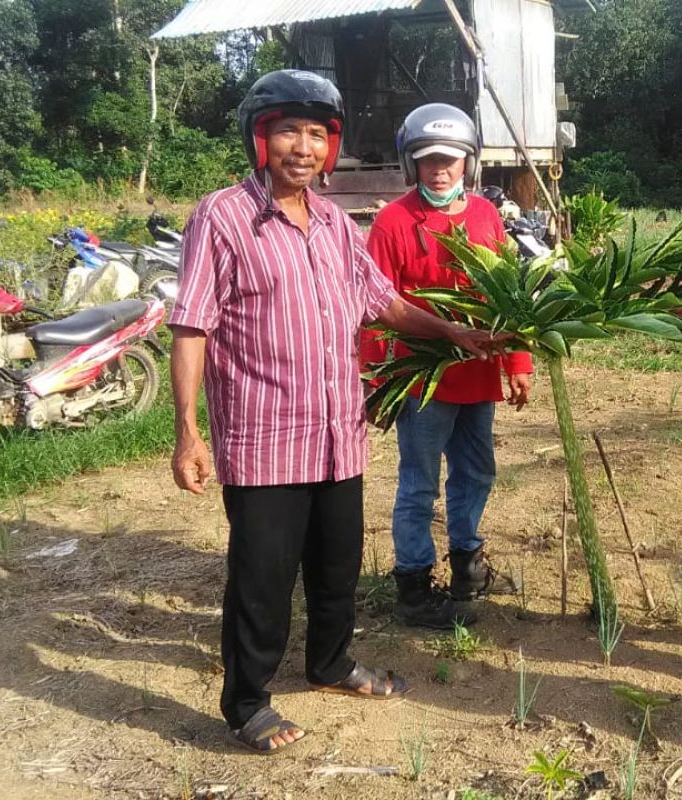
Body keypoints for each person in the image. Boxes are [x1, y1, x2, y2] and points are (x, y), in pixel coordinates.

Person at [169, 70, 499, 754]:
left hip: (336, 435)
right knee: (262, 575)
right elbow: (192, 326)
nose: (303, 146)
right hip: (265, 437)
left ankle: (330, 663)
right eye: (288, 129)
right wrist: (187, 433)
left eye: (317, 133)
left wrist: (455, 333)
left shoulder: (333, 225)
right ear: (260, 137)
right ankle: (248, 701)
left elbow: (387, 302)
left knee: (337, 565)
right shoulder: (223, 216)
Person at [359, 102, 532, 630]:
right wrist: (378, 381)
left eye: (450, 160)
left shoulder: (485, 217)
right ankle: (413, 585)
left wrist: (517, 361)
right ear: (412, 163)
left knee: (476, 472)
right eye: (429, 159)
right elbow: (371, 307)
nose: (440, 169)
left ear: (468, 163)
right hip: (422, 378)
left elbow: (509, 296)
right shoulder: (392, 223)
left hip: (477, 374)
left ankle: (468, 567)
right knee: (418, 483)